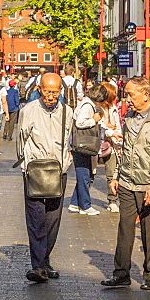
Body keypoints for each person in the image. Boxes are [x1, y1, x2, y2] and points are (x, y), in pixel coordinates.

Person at [101, 76, 150, 292]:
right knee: (124, 228)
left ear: (145, 94)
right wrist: (116, 175)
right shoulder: (129, 117)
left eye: (131, 94)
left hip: (149, 185)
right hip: (127, 182)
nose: (128, 99)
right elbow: (123, 150)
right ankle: (121, 274)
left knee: (148, 232)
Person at [16, 73, 72, 282]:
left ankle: (44, 260)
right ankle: (37, 266)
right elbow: (21, 139)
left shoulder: (68, 112)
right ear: (39, 89)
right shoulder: (28, 110)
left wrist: (66, 162)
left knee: (53, 219)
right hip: (35, 170)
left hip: (58, 170)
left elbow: (69, 139)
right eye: (47, 91)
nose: (51, 96)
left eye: (55, 92)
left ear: (60, 91)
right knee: (36, 218)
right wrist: (25, 166)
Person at [68, 83, 107, 215]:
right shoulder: (87, 106)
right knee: (84, 175)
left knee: (84, 174)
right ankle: (85, 205)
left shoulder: (86, 103)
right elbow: (80, 122)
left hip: (80, 144)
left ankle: (74, 203)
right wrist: (94, 120)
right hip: (82, 144)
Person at [99, 82, 123, 213]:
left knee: (112, 172)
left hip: (111, 145)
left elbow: (117, 125)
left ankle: (112, 200)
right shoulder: (96, 107)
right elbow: (99, 125)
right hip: (97, 144)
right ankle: (78, 202)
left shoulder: (113, 108)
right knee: (88, 177)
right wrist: (110, 130)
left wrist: (118, 139)